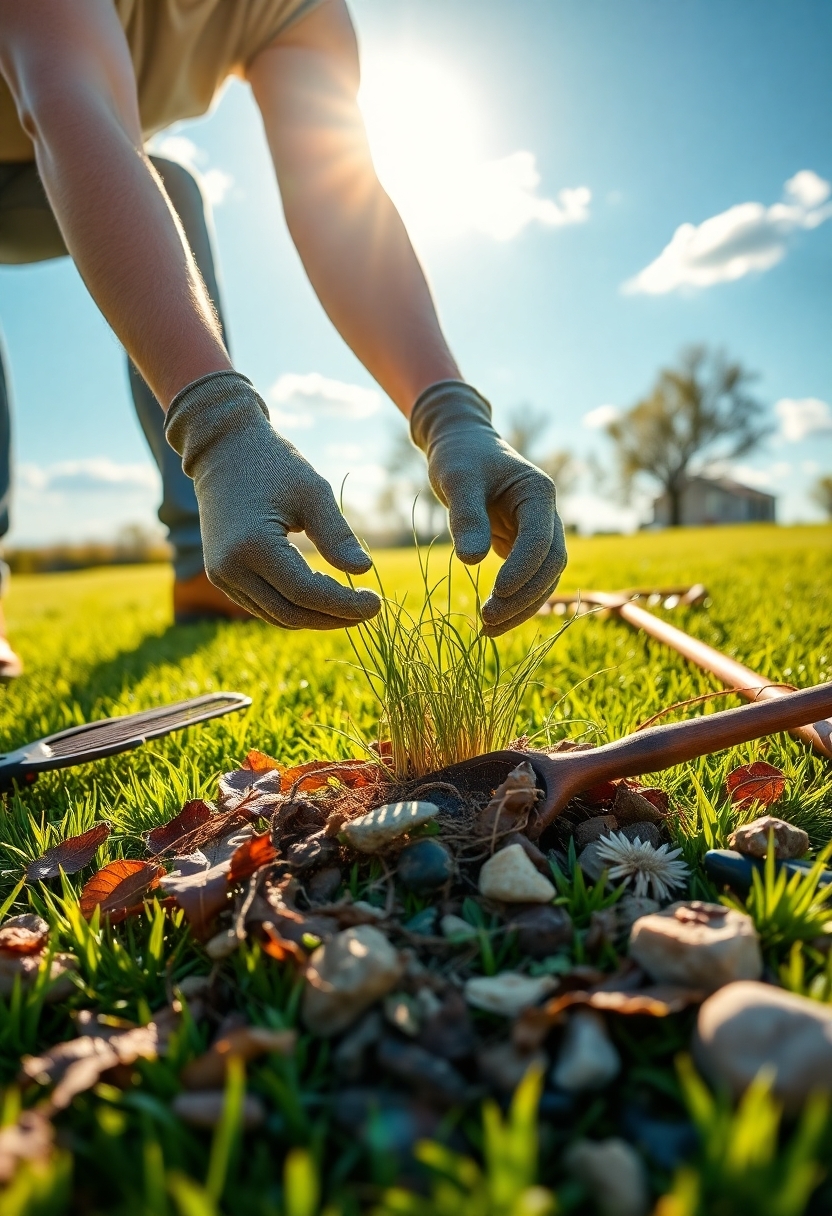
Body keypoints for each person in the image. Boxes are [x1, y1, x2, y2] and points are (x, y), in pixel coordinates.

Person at [0, 0, 567, 678]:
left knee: (171, 193)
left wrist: (451, 414)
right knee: (152, 182)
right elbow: (72, 102)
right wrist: (219, 427)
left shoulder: (301, 11)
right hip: (55, 123)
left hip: (34, 166)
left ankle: (203, 569)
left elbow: (337, 195)